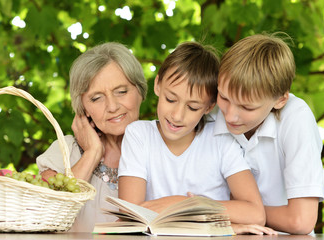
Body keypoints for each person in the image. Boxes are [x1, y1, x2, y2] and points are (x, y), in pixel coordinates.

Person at [118, 42, 274, 235]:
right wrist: (213, 221)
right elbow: (132, 215)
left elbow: (255, 213)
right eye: (170, 99)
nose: (177, 115)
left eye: (192, 107)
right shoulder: (139, 135)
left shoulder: (220, 139)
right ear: (157, 85)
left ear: (209, 107)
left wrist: (186, 204)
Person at [214, 32, 324, 234]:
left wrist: (242, 212)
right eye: (224, 97)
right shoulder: (210, 111)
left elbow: (300, 220)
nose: (230, 116)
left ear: (280, 100)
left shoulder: (296, 118)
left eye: (247, 108)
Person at [36, 42, 147, 232]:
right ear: (83, 108)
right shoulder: (65, 151)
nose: (112, 106)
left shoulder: (161, 147)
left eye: (121, 92)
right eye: (96, 98)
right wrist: (92, 153)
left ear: (140, 91)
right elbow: (47, 218)